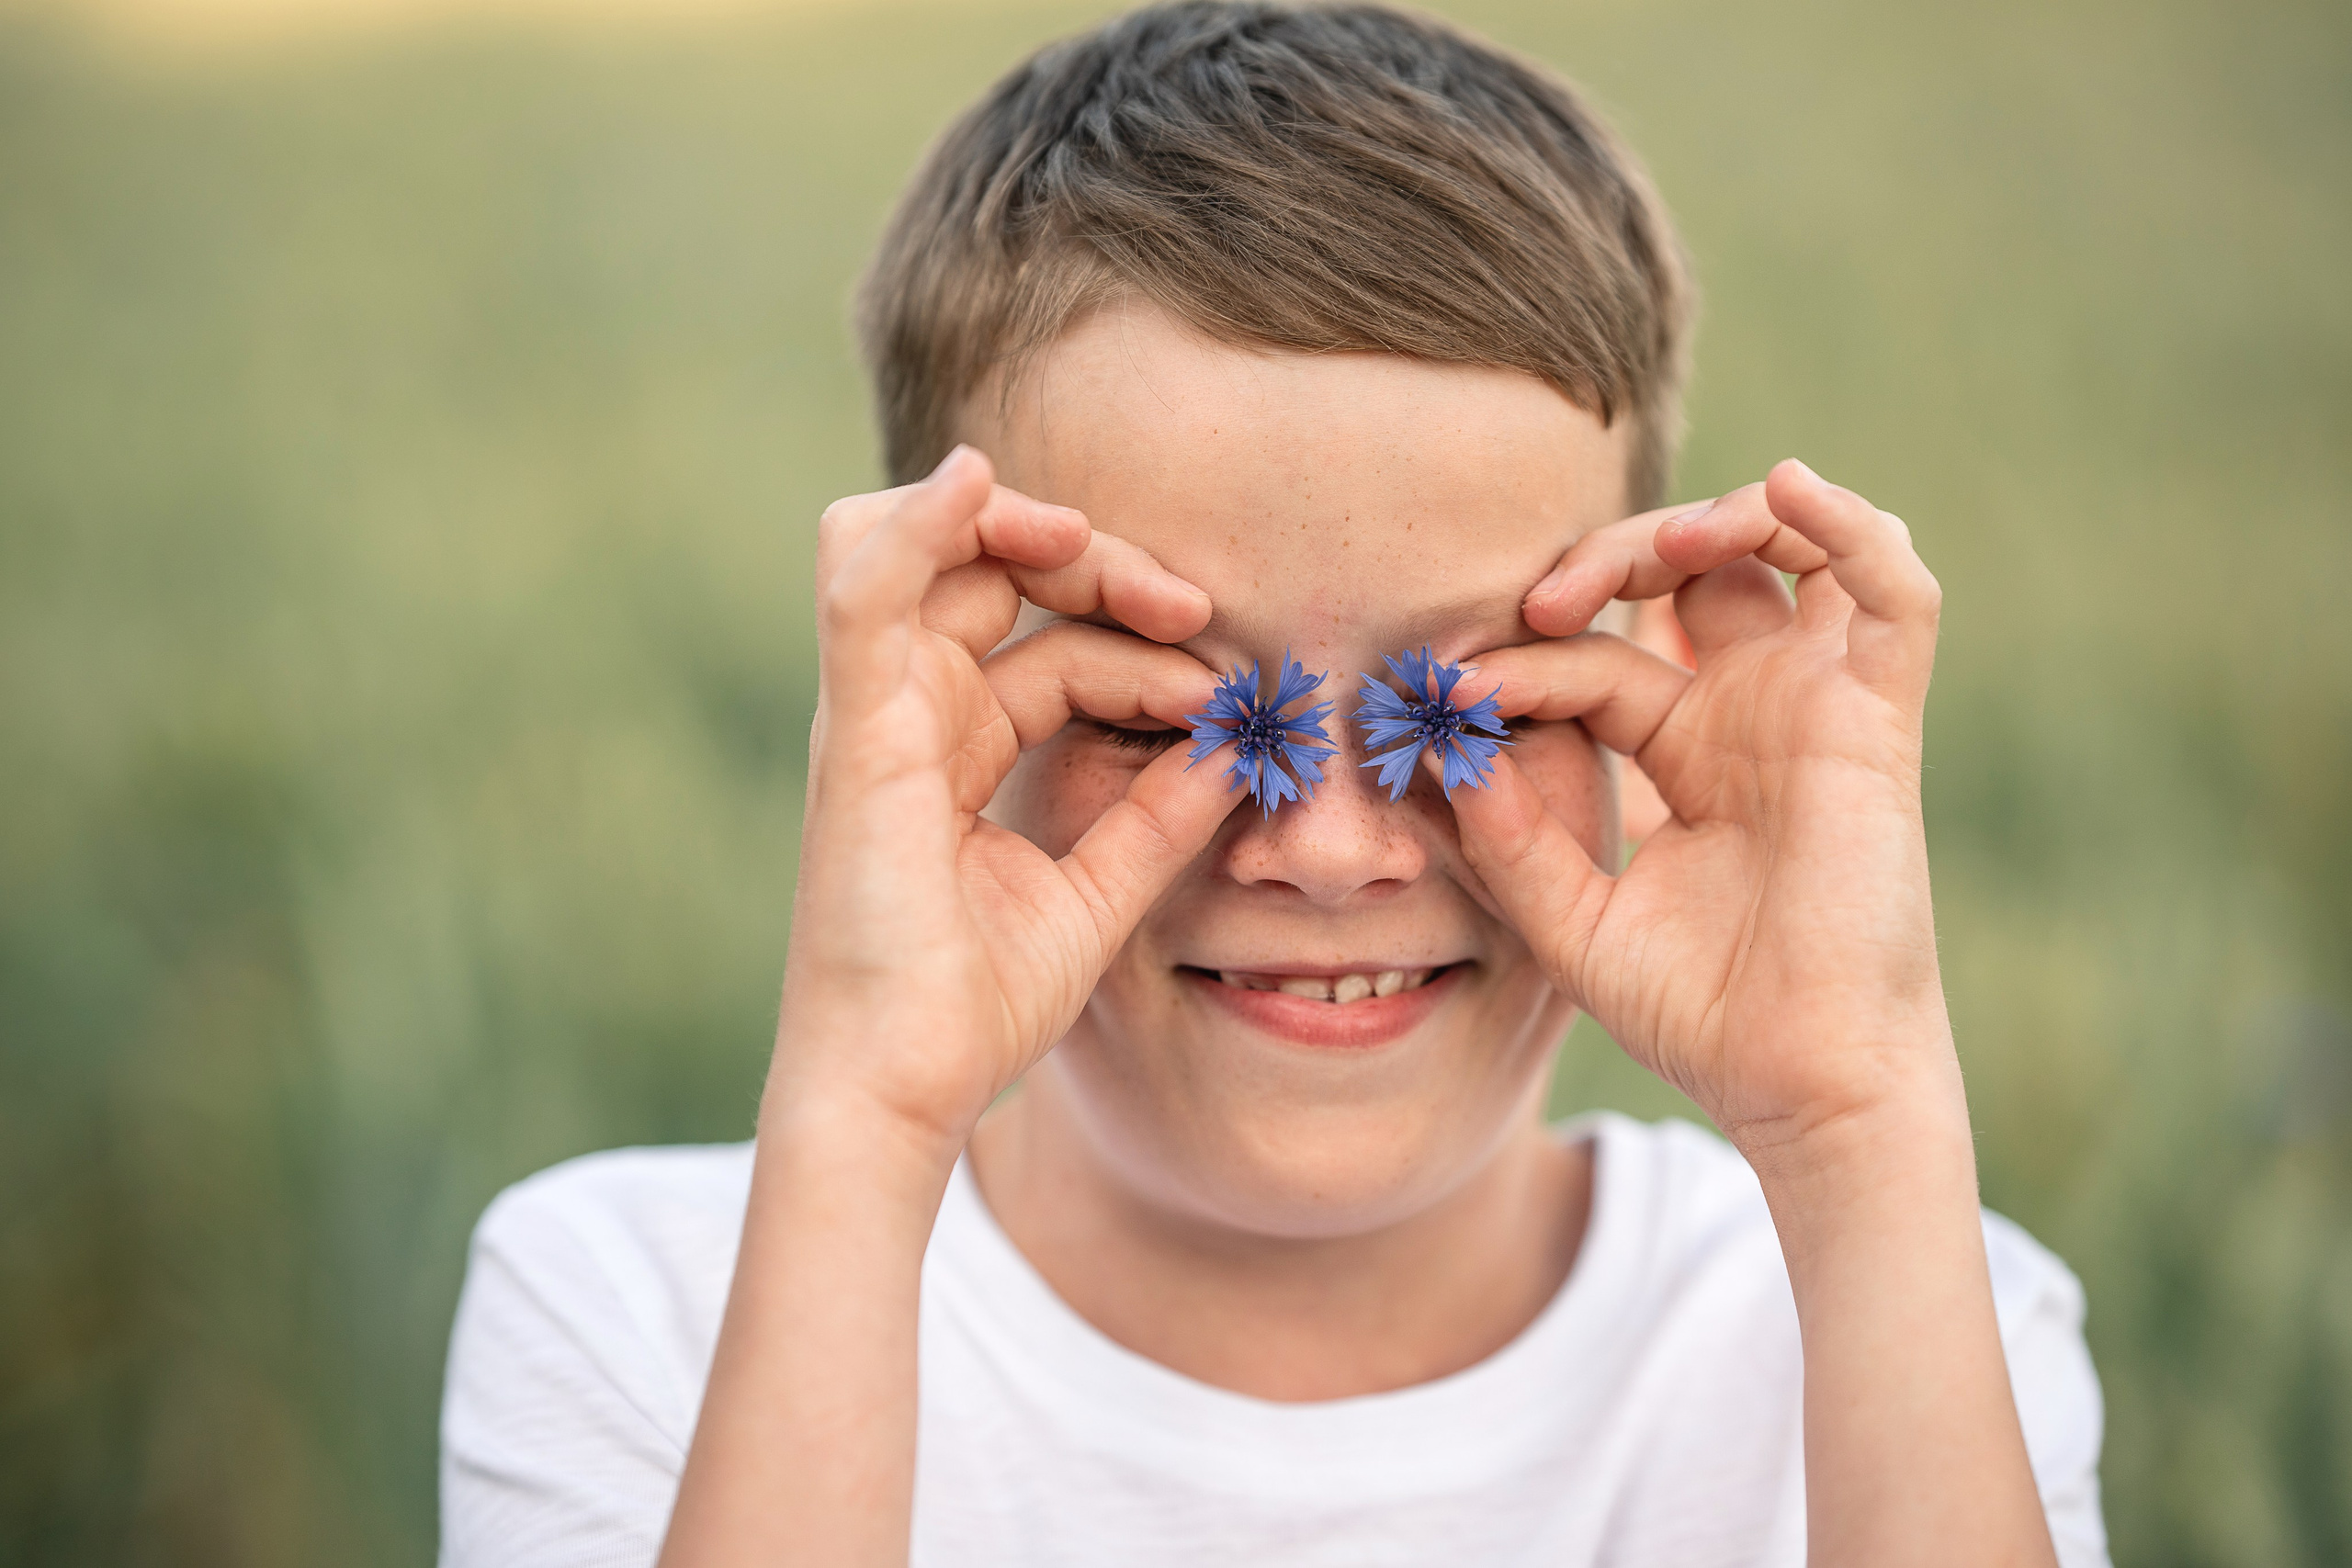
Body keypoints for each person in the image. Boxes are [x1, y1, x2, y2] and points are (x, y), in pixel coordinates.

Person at [438, 5, 2109, 1564]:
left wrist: (1856, 1116)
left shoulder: (1910, 1324)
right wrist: (866, 1123)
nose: (1324, 845)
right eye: (1169, 715)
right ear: (941, 704)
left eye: (1458, 703)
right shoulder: (637, 1308)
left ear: (1650, 692)